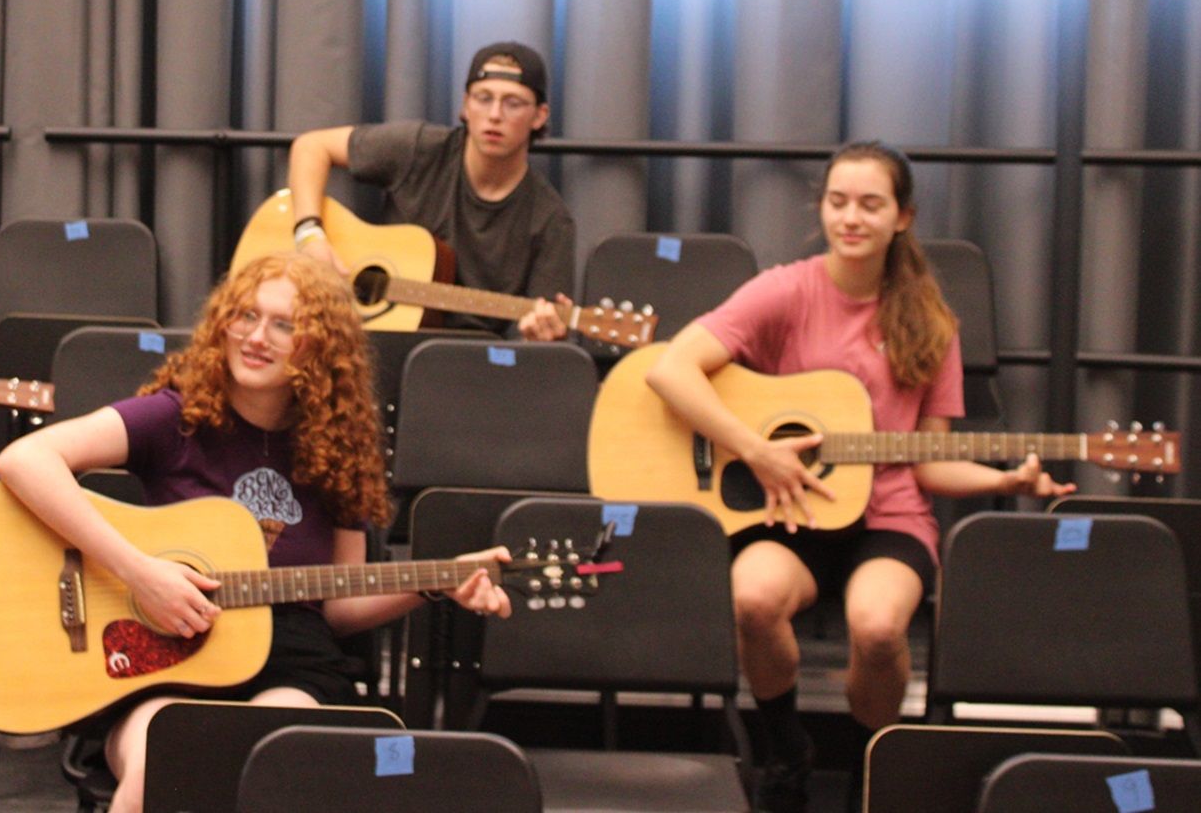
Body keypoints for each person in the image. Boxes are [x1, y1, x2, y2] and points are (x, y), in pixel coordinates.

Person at [643, 141, 1074, 812]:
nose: (851, 218)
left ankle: (871, 768)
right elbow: (669, 370)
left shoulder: (931, 321)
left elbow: (928, 460)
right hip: (792, 508)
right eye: (838, 202)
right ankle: (786, 750)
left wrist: (1005, 484)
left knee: (876, 630)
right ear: (821, 207)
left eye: (871, 204)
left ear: (902, 217)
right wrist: (755, 450)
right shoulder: (787, 289)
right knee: (752, 598)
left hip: (889, 516)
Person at [0, 253, 511, 813]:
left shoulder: (338, 449)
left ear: (321, 347)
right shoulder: (175, 417)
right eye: (246, 315)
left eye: (284, 324)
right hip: (164, 658)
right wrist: (139, 573)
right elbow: (24, 460)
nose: (256, 337)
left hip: (290, 661)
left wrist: (436, 583)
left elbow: (337, 606)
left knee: (277, 759)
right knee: (164, 766)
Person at [287, 40, 575, 341]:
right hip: (367, 340)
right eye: (483, 98)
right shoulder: (420, 149)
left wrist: (542, 336)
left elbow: (543, 342)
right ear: (466, 105)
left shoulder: (551, 220)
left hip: (468, 359)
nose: (494, 114)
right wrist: (309, 235)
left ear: (539, 116)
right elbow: (311, 146)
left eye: (513, 103)